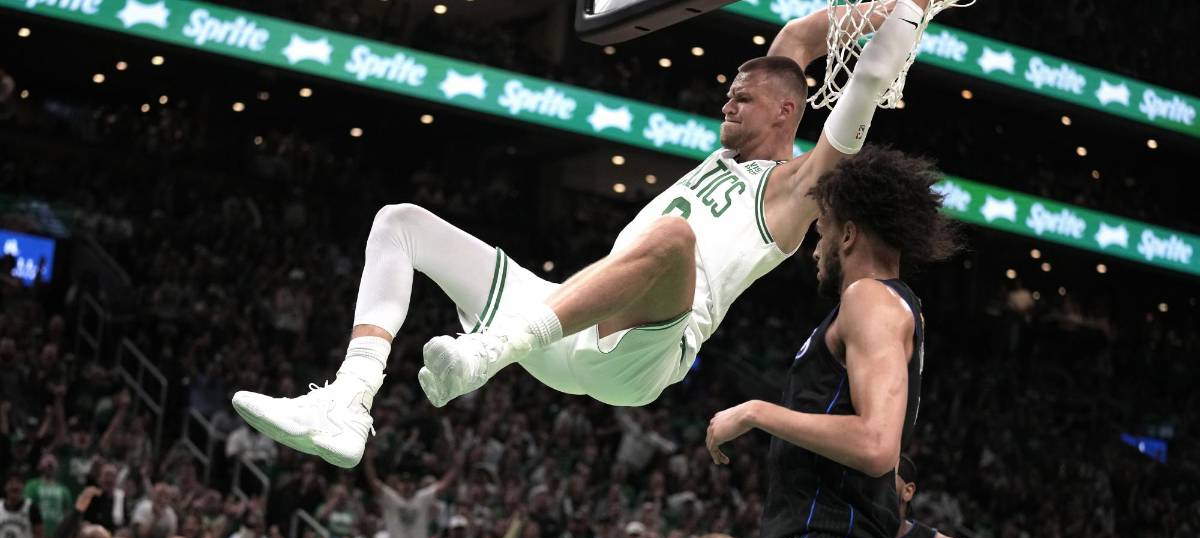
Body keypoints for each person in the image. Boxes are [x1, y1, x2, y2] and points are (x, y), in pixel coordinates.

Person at [231, 0, 941, 470]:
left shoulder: (798, 188)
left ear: (787, 112)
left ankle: (490, 351)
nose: (727, 101)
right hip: (567, 322)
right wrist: (873, 5)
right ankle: (349, 401)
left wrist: (911, 10)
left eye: (743, 97)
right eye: (728, 92)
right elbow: (800, 38)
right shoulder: (730, 147)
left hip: (641, 353)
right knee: (400, 223)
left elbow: (864, 79)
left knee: (674, 237)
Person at [704, 139, 963, 538]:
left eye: (820, 230)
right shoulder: (880, 307)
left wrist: (756, 411)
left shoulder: (870, 298)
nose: (815, 248)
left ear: (847, 234)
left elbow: (875, 444)